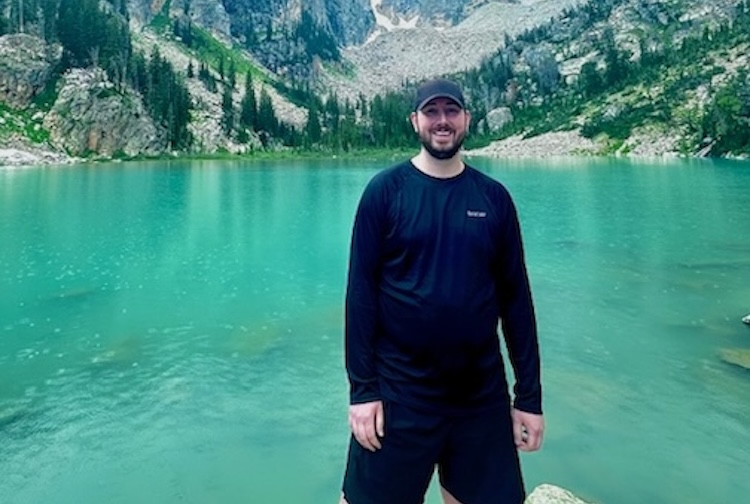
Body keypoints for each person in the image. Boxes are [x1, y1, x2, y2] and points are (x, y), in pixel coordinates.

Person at [340, 78, 544, 504]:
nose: (442, 121)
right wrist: (363, 391)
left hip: (479, 395)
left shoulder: (494, 198)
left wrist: (528, 397)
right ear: (415, 121)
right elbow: (360, 297)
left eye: (451, 111)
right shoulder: (385, 192)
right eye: (431, 112)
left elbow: (516, 301)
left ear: (467, 119)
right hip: (400, 392)